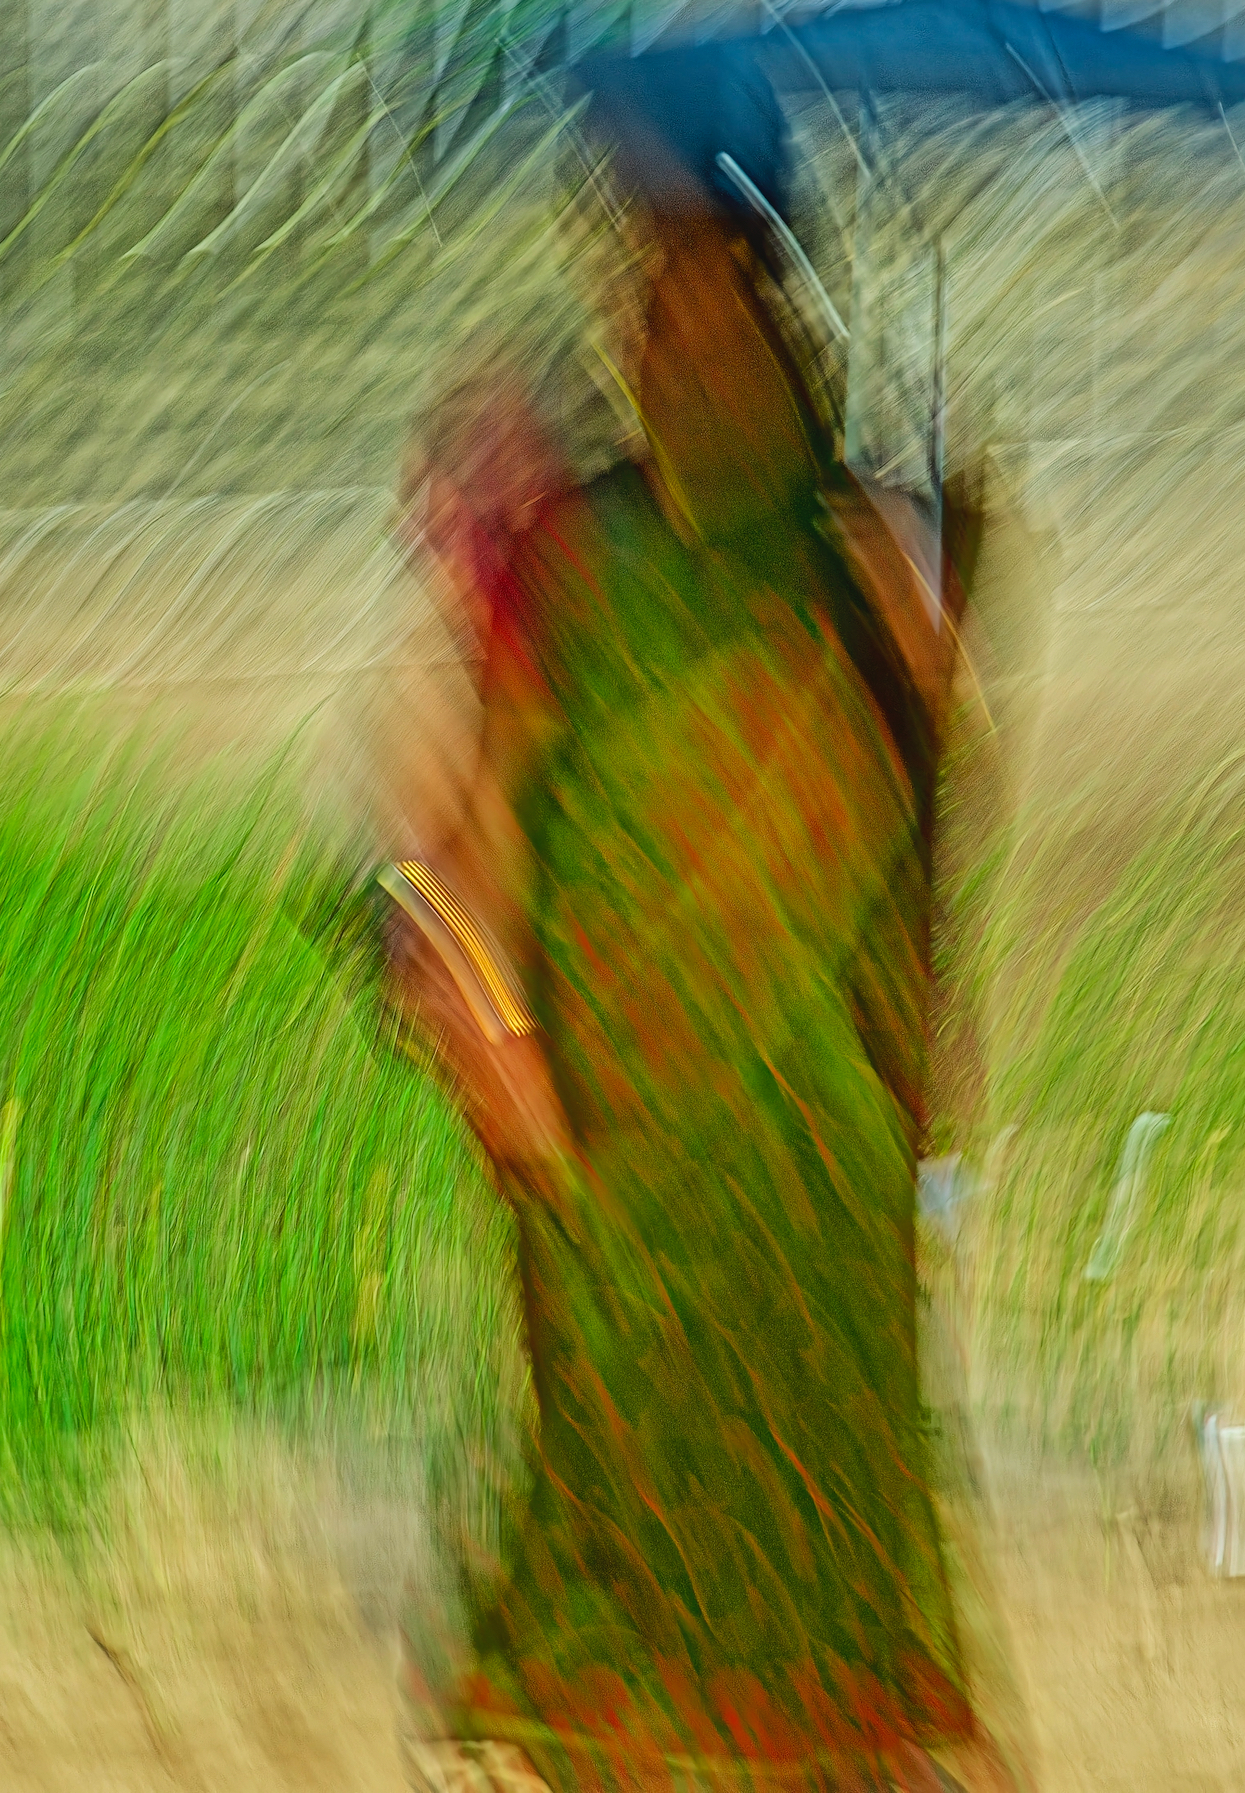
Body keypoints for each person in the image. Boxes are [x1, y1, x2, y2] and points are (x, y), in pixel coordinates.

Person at [373, 111, 1018, 1793]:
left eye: (699, 293)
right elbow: (488, 800)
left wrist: (949, 593)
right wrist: (492, 1027)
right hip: (619, 1126)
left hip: (810, 1134)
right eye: (637, 298)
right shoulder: (576, 541)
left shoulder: (865, 548)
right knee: (622, 1542)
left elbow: (931, 839)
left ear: (778, 305)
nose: (661, 335)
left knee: (818, 1543)